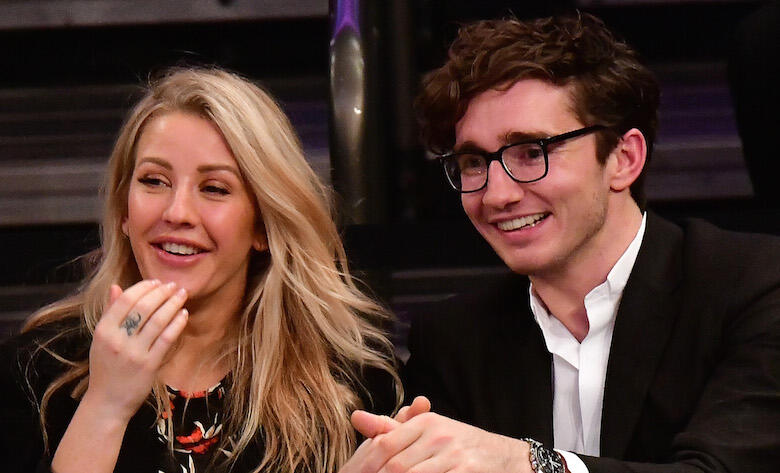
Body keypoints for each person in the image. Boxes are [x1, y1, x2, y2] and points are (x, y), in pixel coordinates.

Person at [340, 12, 780, 473]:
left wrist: (529, 463)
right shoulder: (454, 339)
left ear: (624, 159)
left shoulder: (755, 287)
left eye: (532, 153)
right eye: (474, 162)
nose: (497, 195)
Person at [0, 67, 400, 473]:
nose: (177, 213)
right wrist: (105, 406)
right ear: (124, 210)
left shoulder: (351, 383)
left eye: (214, 189)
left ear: (263, 226)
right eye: (154, 181)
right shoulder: (35, 372)